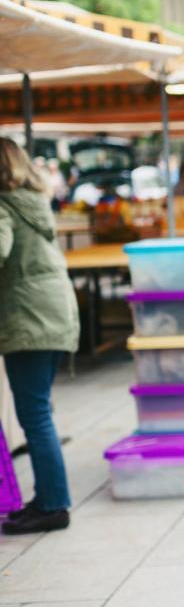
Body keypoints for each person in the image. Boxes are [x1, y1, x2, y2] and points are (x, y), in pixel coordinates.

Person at [0, 138, 79, 535]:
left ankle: (52, 505)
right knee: (40, 412)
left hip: (29, 318)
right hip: (55, 314)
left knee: (35, 416)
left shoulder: (2, 206)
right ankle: (49, 496)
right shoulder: (32, 202)